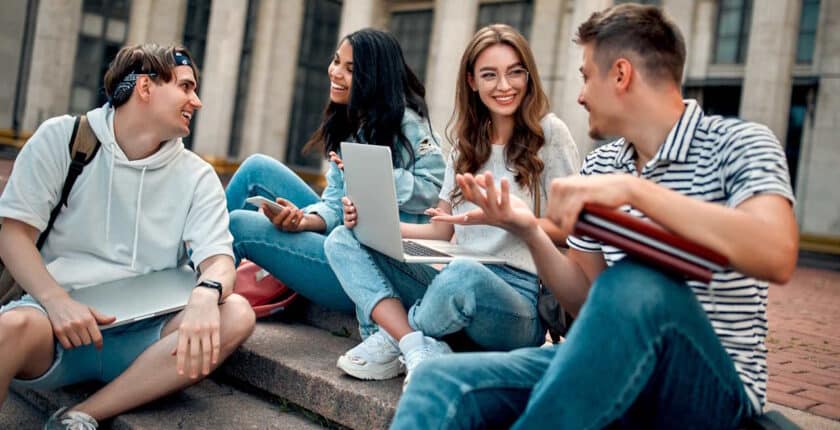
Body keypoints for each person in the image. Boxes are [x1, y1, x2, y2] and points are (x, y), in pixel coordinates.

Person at [390, 4, 799, 429]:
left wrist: (635, 191)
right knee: (438, 381)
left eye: (586, 76)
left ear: (620, 74)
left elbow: (776, 252)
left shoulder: (739, 143)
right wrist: (528, 229)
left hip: (709, 389)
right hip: (608, 358)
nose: (580, 95)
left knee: (635, 281)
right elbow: (585, 301)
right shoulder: (602, 164)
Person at [0, 44, 255, 429]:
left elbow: (218, 257)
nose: (197, 101)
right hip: (57, 326)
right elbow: (14, 233)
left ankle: (79, 416)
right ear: (145, 87)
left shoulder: (198, 176)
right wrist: (56, 301)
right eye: (186, 87)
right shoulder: (63, 138)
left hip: (147, 338)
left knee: (235, 312)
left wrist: (207, 292)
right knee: (7, 330)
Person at [324, 24, 579, 386]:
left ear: (528, 76)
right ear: (472, 82)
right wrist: (371, 225)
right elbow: (441, 230)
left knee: (463, 275)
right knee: (342, 239)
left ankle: (397, 337)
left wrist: (513, 221)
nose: (504, 86)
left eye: (514, 72)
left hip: (518, 300)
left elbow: (572, 228)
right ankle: (415, 344)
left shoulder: (549, 133)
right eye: (490, 75)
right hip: (452, 277)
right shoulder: (464, 145)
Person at [225, 28, 445, 317]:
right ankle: (189, 268)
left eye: (350, 69)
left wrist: (373, 176)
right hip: (347, 234)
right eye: (336, 61)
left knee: (239, 225)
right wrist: (304, 221)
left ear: (375, 78)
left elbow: (433, 190)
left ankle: (194, 288)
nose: (335, 72)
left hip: (375, 266)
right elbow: (335, 205)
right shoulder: (353, 122)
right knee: (257, 167)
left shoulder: (408, 124)